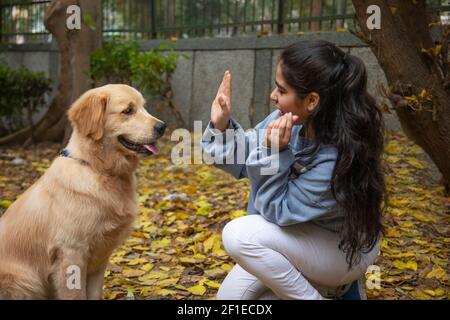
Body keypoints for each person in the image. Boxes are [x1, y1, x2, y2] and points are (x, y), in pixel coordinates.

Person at [201, 40, 386, 300]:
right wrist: (220, 126)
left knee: (238, 235)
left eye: (281, 89)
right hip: (294, 237)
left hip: (341, 250)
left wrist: (274, 153)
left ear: (311, 100)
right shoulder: (289, 122)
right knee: (230, 299)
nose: (272, 96)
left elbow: (278, 210)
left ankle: (338, 289)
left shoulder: (338, 157)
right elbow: (246, 157)